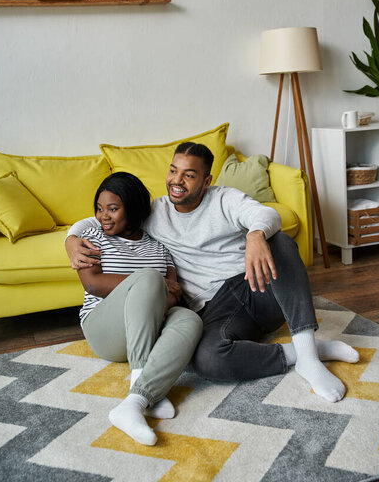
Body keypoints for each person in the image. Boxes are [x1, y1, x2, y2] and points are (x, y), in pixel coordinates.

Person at [66, 143, 359, 404]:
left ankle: (308, 356)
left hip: (254, 287)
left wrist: (255, 236)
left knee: (279, 240)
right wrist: (71, 240)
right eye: (173, 171)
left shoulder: (224, 199)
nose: (176, 181)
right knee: (206, 360)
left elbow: (268, 215)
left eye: (188, 175)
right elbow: (102, 216)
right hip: (214, 308)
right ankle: (300, 354)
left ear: (206, 181)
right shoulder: (155, 212)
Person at [72, 171, 203, 446]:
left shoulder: (159, 249)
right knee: (149, 278)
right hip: (105, 329)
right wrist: (150, 286)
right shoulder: (92, 236)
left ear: (132, 208)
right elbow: (93, 284)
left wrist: (157, 292)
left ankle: (137, 400)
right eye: (99, 208)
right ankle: (140, 382)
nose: (103, 215)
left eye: (112, 209)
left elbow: (174, 294)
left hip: (147, 329)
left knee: (190, 319)